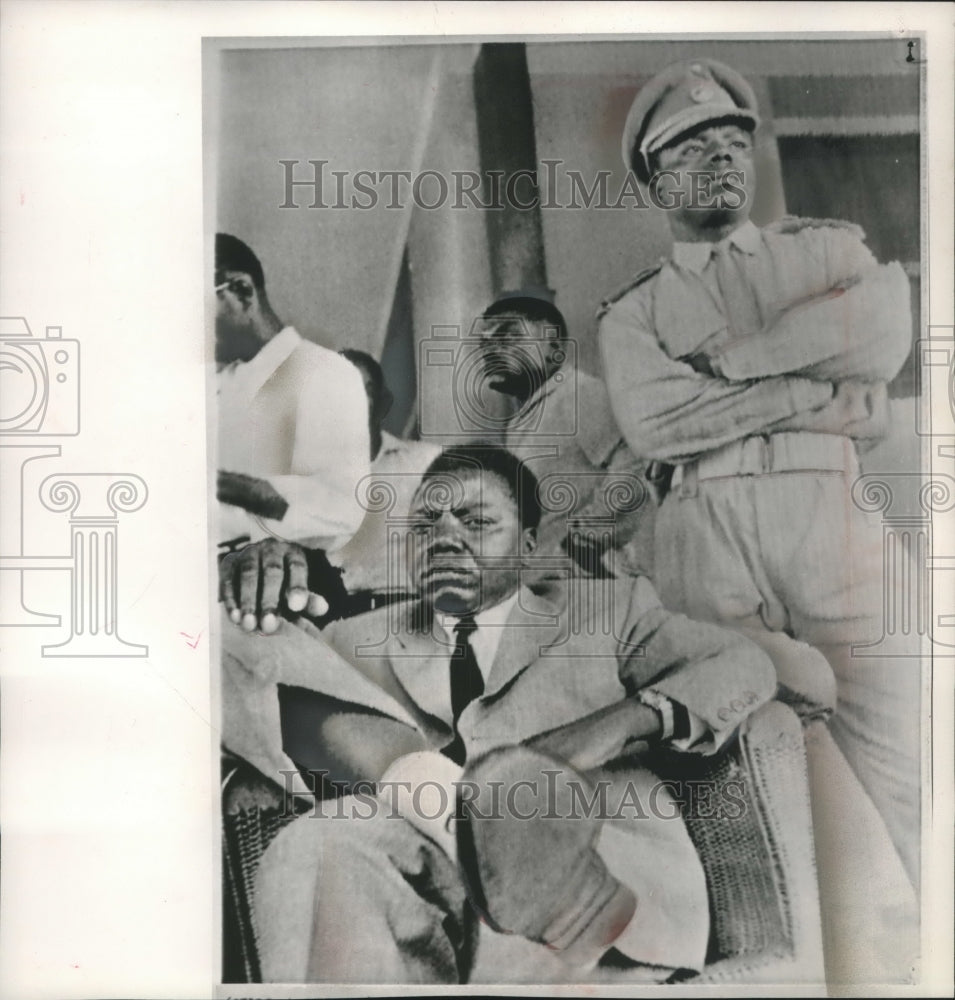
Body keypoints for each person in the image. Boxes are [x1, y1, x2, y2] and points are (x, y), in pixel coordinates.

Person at [219, 444, 780, 984]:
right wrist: (244, 571)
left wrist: (617, 725)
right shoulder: (356, 639)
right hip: (429, 902)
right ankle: (448, 807)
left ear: (530, 545)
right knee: (316, 843)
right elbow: (257, 691)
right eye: (425, 527)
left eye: (476, 521)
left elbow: (740, 664)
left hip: (598, 887)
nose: (444, 538)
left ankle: (514, 850)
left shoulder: (607, 612)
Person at [598, 58, 919, 977]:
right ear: (656, 178)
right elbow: (655, 421)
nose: (722, 160)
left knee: (913, 737)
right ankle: (795, 975)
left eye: (734, 142)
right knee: (750, 760)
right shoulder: (633, 314)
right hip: (703, 530)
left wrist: (735, 365)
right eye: (693, 148)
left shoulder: (827, 253)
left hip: (833, 516)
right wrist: (816, 390)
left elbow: (883, 343)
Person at [475, 288, 655, 582]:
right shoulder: (525, 418)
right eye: (485, 341)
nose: (491, 348)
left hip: (582, 594)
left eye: (508, 336)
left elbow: (635, 465)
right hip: (541, 593)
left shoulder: (578, 393)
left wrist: (584, 542)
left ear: (553, 346)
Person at [215, 232, 369, 553]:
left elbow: (342, 511)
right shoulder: (219, 379)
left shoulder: (325, 373)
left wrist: (219, 484)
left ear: (242, 292)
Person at [329, 349, 441, 610]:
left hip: (409, 611)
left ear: (382, 403)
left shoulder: (428, 464)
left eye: (361, 389)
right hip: (329, 614)